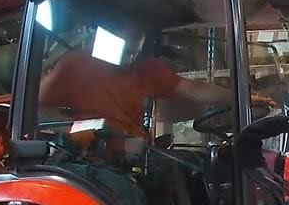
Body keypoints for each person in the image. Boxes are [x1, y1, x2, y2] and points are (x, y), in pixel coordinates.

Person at [39, 27, 234, 140]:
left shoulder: (146, 68)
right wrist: (75, 133)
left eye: (136, 52)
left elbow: (191, 88)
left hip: (135, 154)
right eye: (127, 52)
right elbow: (37, 108)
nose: (132, 58)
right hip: (90, 162)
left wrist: (237, 97)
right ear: (107, 38)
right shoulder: (75, 65)